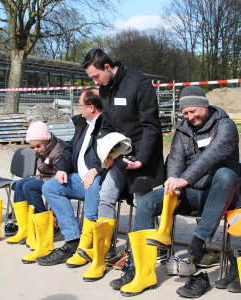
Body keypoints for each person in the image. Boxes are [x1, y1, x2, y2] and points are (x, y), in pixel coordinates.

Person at [110, 85, 240, 295]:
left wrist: (184, 179)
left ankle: (199, 240)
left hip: (221, 193)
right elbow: (176, 158)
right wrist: (173, 180)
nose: (189, 116)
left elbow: (211, 157)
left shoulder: (225, 126)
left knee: (226, 174)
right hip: (191, 192)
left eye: (193, 111)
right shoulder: (183, 130)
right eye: (185, 113)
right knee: (146, 202)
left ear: (204, 106)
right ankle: (139, 270)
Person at [77, 49, 165, 274]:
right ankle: (102, 251)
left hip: (142, 157)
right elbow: (106, 124)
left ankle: (147, 251)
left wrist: (142, 159)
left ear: (107, 67)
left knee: (142, 203)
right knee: (105, 196)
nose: (94, 82)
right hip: (118, 156)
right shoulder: (105, 89)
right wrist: (105, 152)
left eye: (95, 76)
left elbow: (151, 127)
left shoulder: (139, 83)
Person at [38, 87, 103, 267]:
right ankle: (73, 239)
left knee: (93, 182)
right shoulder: (82, 124)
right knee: (49, 187)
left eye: (80, 105)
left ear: (91, 107)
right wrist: (62, 169)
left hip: (100, 180)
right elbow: (69, 149)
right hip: (79, 179)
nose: (78, 108)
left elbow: (113, 153)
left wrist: (97, 169)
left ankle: (86, 244)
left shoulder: (107, 124)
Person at [5, 121, 67, 243]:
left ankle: (45, 226)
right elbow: (44, 170)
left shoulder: (59, 149)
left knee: (29, 187)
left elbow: (58, 176)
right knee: (19, 184)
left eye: (38, 146)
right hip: (46, 176)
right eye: (32, 147)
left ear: (46, 141)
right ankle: (25, 229)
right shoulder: (43, 149)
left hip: (57, 178)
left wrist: (54, 212)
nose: (35, 149)